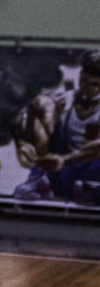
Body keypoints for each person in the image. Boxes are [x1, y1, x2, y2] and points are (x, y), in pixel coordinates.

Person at [14, 52, 100, 205]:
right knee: (39, 104)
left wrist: (64, 159)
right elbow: (28, 112)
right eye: (84, 81)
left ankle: (89, 190)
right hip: (57, 166)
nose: (87, 88)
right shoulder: (66, 98)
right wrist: (22, 143)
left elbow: (96, 148)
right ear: (80, 75)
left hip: (89, 168)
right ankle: (40, 176)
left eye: (95, 84)